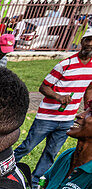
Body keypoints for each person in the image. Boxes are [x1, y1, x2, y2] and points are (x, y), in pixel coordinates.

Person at [13, 29, 92, 181]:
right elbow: (43, 87)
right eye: (87, 40)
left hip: (68, 119)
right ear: (81, 42)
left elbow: (89, 88)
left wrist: (87, 108)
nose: (89, 44)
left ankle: (35, 181)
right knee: (27, 147)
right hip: (47, 116)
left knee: (51, 153)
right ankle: (3, 169)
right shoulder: (66, 64)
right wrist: (58, 96)